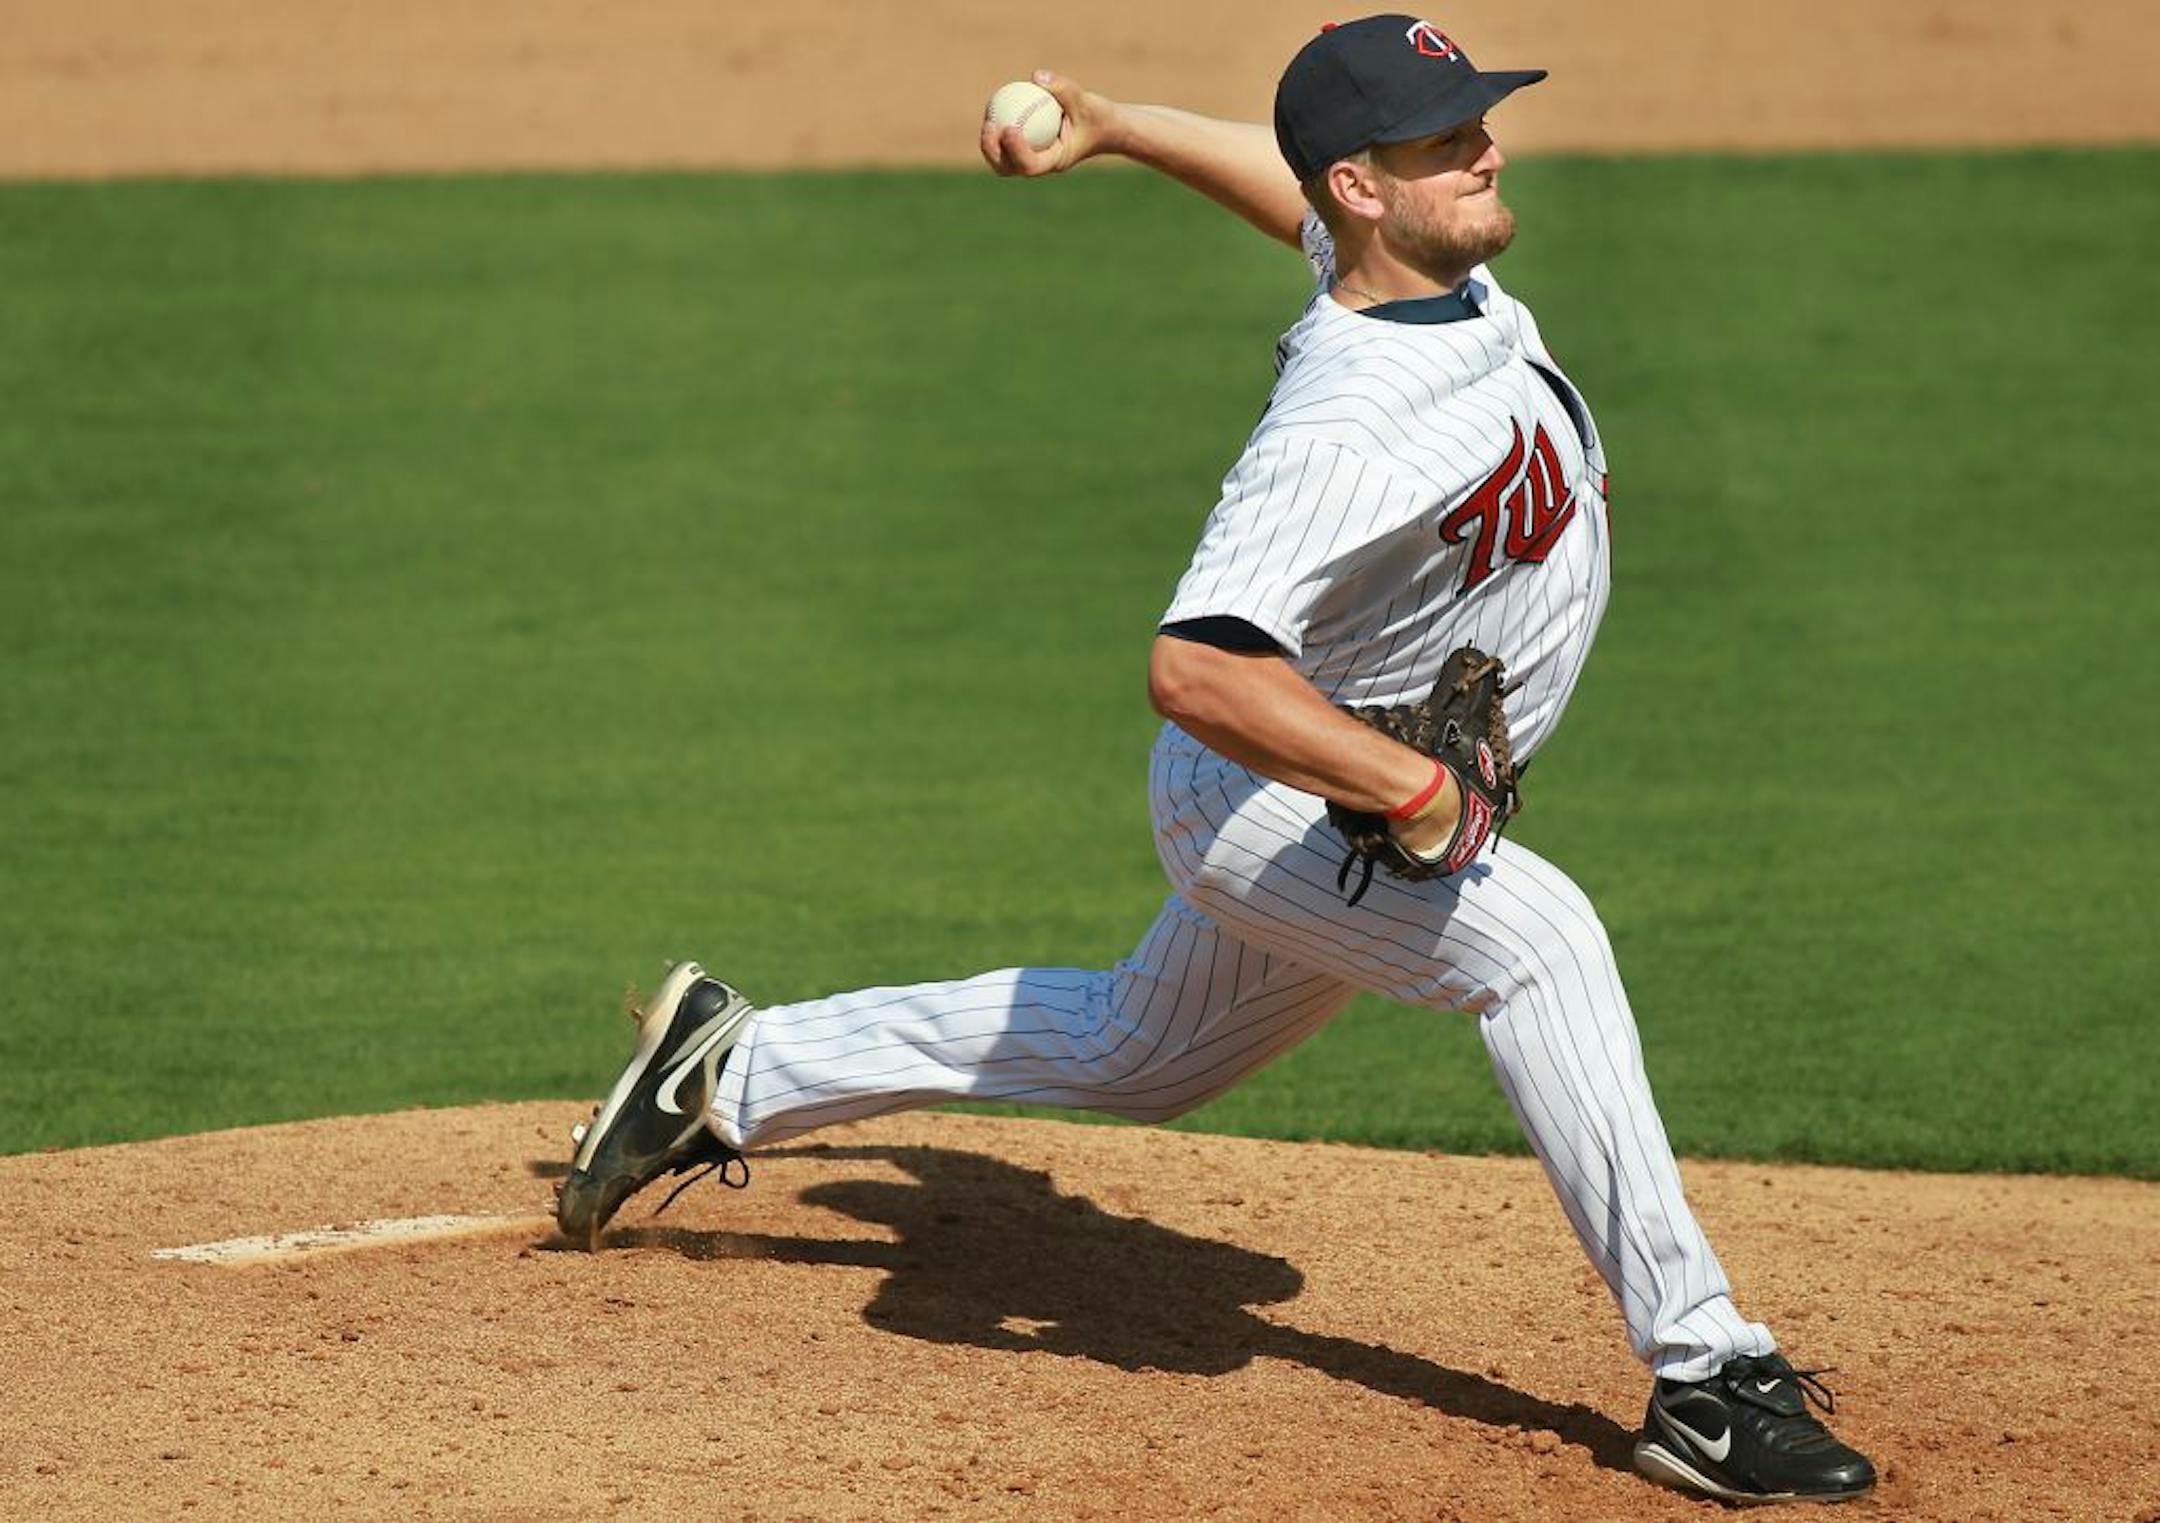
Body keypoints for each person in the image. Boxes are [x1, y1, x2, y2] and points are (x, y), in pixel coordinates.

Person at [555, 15, 1876, 1506]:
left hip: (1336, 799)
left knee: (1144, 1050)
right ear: (1367, 185)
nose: (1489, 150)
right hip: (1274, 801)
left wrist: (1121, 125)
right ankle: (1706, 1375)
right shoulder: (1346, 420)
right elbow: (1195, 670)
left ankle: (728, 1068)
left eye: (1478, 121)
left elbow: (1292, 196)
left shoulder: (1429, 278)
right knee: (1542, 945)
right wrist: (1410, 788)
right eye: (1449, 139)